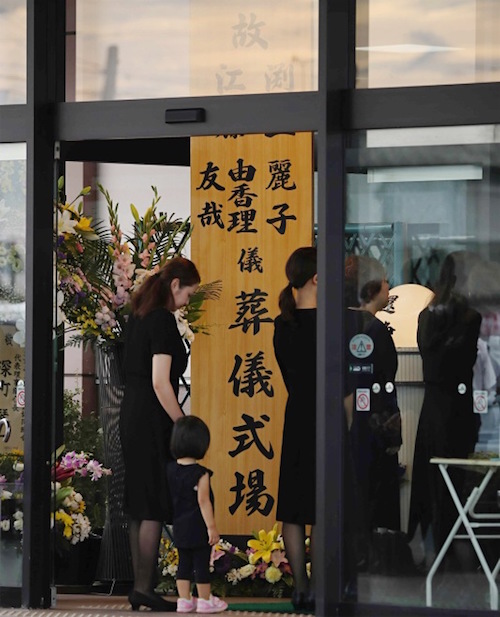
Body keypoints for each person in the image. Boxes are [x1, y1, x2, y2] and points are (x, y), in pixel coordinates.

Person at [120, 256, 200, 612]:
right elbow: (160, 381)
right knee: (152, 500)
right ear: (175, 285)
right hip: (152, 416)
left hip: (130, 412)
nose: (187, 302)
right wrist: (181, 422)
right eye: (189, 294)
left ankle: (140, 587)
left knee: (139, 501)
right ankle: (144, 587)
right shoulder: (163, 321)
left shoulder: (137, 316)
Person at [408, 251, 482, 564]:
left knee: (430, 477)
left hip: (432, 405)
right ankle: (447, 545)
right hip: (458, 405)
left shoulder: (427, 315)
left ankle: (432, 544)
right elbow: (464, 361)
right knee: (454, 476)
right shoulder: (469, 317)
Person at [344, 255, 402, 570]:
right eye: (385, 281)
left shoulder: (339, 324)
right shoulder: (375, 329)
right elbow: (384, 384)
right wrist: (393, 433)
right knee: (372, 495)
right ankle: (370, 559)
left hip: (349, 424)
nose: (389, 287)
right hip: (372, 427)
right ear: (371, 289)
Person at [273, 246, 317, 611]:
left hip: (297, 412)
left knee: (293, 506)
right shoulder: (334, 322)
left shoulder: (283, 323)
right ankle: (320, 588)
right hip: (326, 416)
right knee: (322, 504)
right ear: (317, 278)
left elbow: (290, 376)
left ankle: (300, 589)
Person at [167, 415, 228, 614]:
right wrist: (212, 527)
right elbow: (203, 501)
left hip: (179, 525)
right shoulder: (201, 473)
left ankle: (184, 600)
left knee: (183, 564)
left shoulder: (169, 470)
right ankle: (204, 600)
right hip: (198, 526)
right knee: (201, 564)